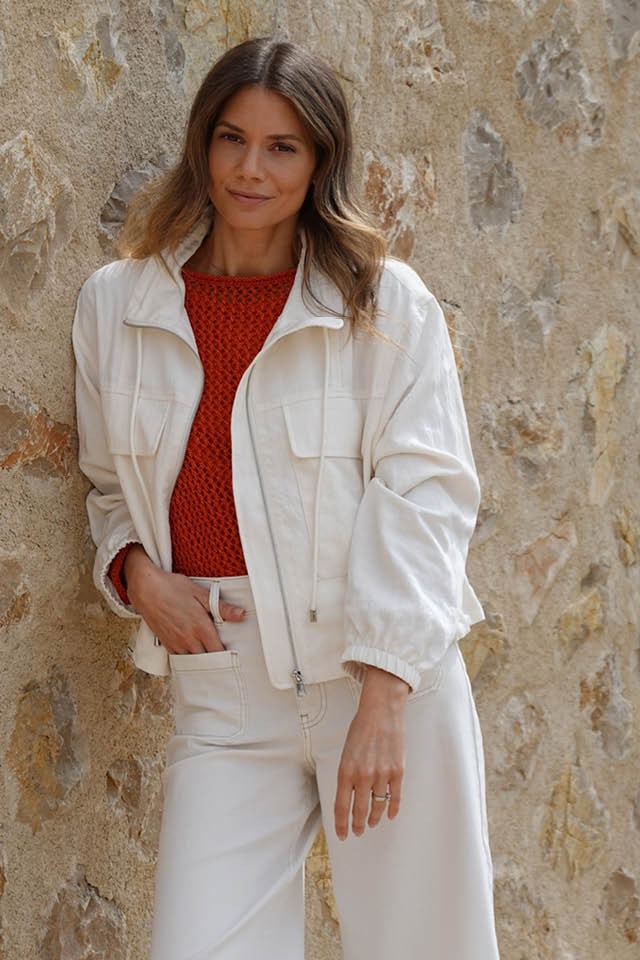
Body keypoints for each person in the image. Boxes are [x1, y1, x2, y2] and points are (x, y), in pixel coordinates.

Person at [73, 36, 500, 960]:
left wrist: (386, 699)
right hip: (224, 695)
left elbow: (427, 498)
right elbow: (110, 487)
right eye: (232, 139)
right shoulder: (116, 306)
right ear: (201, 145)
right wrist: (137, 574)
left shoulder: (386, 308)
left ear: (319, 163)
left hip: (380, 683)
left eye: (283, 147)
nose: (250, 169)